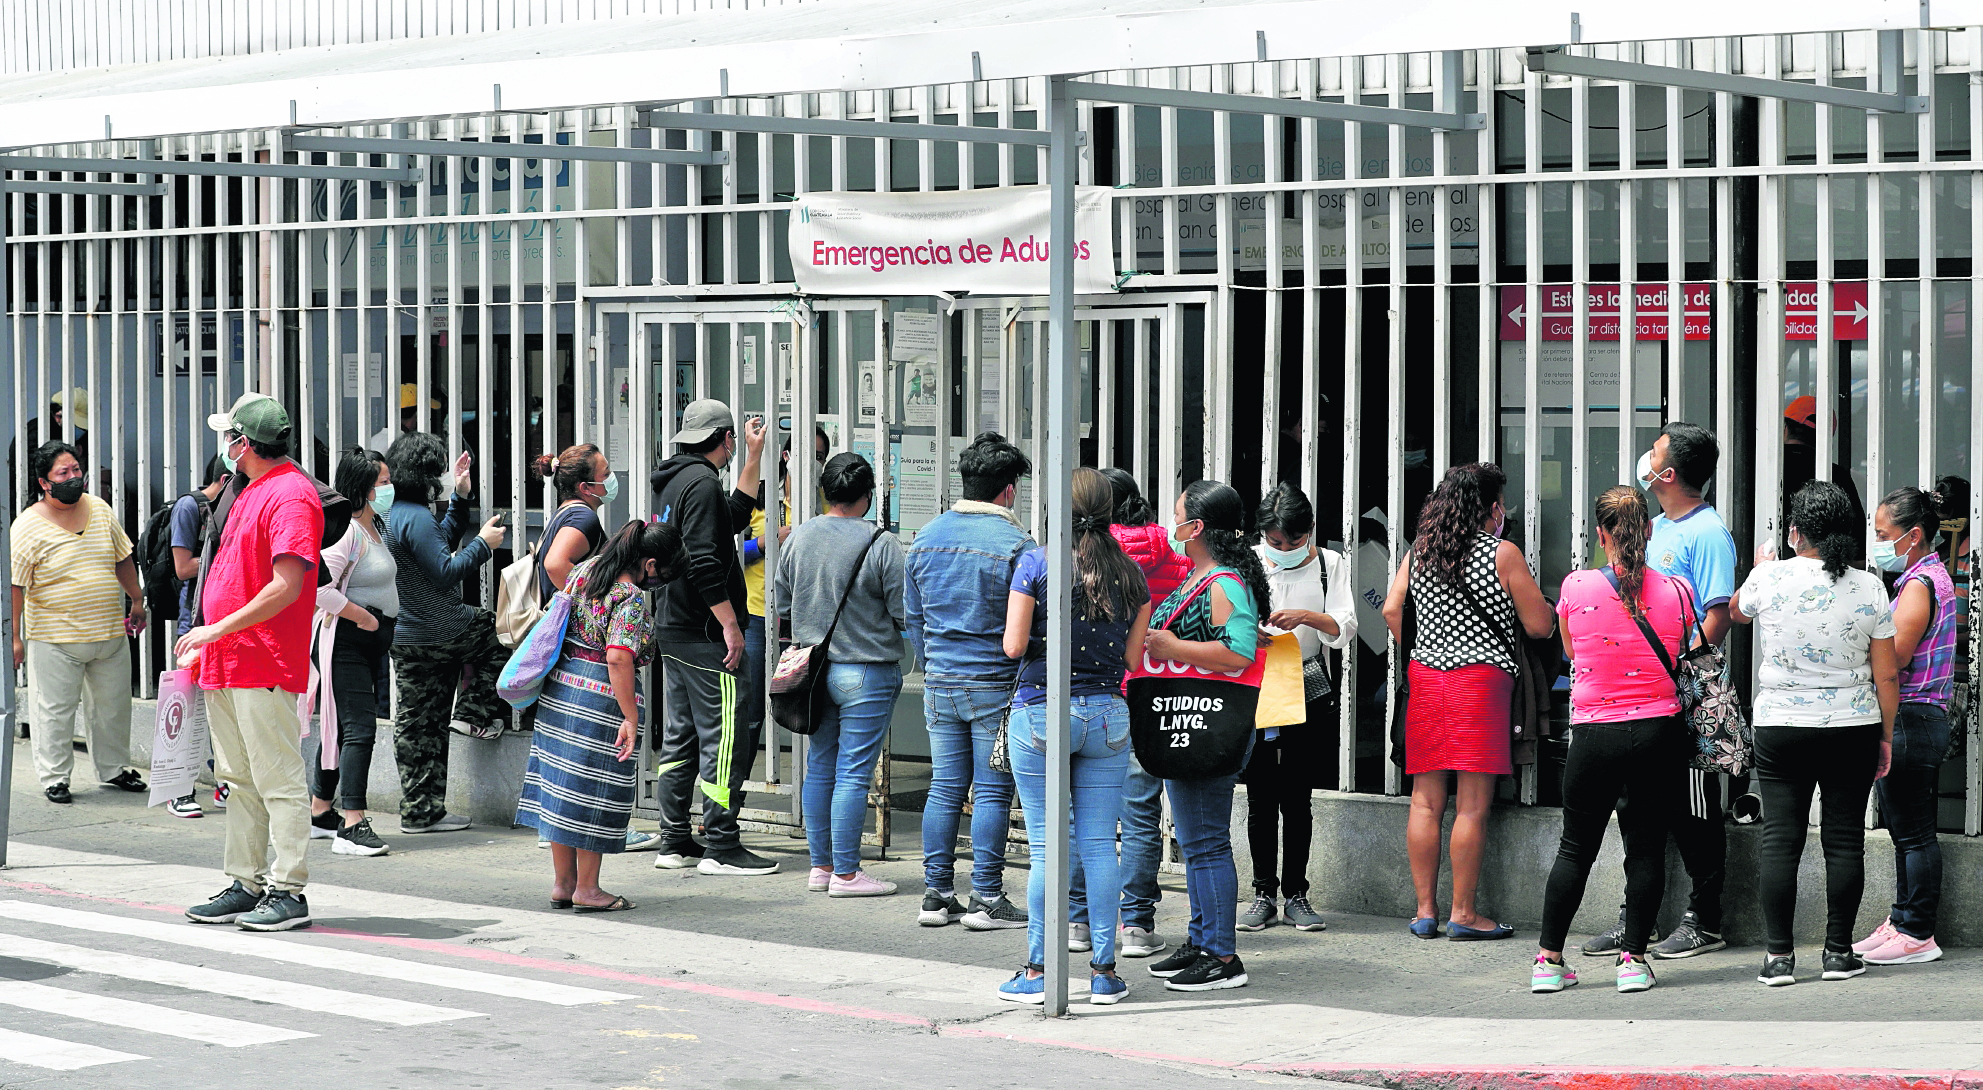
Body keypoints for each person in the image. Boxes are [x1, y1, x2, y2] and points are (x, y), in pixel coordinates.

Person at [1731, 480, 1898, 987]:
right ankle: (1837, 953)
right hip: (1852, 725)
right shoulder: (1869, 585)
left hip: (1780, 725)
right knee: (1844, 842)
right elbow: (1886, 675)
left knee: (1781, 841)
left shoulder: (1770, 577)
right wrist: (1885, 736)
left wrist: (1764, 567)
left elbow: (1736, 610)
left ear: (1795, 530)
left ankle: (1779, 958)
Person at [1587, 421, 1742, 960]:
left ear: (1669, 473)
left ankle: (1705, 916)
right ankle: (1639, 919)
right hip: (1643, 690)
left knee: (1694, 804)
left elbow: (1718, 614)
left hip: (1688, 689)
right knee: (1639, 805)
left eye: (1653, 454)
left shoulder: (1707, 532)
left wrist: (1679, 658)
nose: (1644, 460)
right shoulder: (1653, 527)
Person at [997, 467, 1151, 1005]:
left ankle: (1038, 970)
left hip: (1042, 713)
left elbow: (1014, 647)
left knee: (1046, 849)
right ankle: (1105, 973)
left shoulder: (1035, 563)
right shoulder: (1132, 575)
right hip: (1109, 716)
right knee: (1099, 847)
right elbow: (1134, 659)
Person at [1381, 462, 1553, 942]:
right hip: (1480, 683)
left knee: (1425, 801)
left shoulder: (1421, 552)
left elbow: (1392, 609)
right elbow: (1539, 625)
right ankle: (1463, 913)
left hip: (1427, 679)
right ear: (1492, 508)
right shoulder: (1502, 554)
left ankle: (1424, 912)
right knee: (1473, 806)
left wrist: (1423, 647)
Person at [1531, 486, 1692, 996]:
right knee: (1644, 851)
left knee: (1575, 848)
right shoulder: (1677, 590)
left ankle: (1549, 962)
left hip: (1593, 735)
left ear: (1600, 534)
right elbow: (1683, 648)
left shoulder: (1575, 587)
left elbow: (1573, 651)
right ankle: (1633, 961)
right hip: (1657, 733)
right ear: (1648, 530)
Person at [177, 393, 324, 932]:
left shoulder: (289, 495)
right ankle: (247, 881)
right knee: (239, 779)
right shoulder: (254, 489)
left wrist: (214, 628)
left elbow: (287, 586)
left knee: (277, 779)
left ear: (243, 444)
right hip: (229, 659)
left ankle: (288, 890)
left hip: (260, 660)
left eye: (229, 437)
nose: (225, 447)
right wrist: (212, 636)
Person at [1141, 480, 1271, 993]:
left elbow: (1237, 652)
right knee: (1195, 842)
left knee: (1208, 843)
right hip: (1189, 721)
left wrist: (1172, 643)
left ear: (1196, 528)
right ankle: (1201, 940)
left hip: (1208, 726)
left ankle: (1221, 955)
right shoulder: (1202, 578)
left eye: (1177, 518)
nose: (1171, 527)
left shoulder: (1222, 583)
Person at [518, 521, 686, 913]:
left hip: (560, 691)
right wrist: (630, 716)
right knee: (594, 792)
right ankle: (589, 890)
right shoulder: (627, 596)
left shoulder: (584, 571)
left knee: (562, 787)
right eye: (661, 576)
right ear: (649, 564)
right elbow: (618, 657)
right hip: (598, 701)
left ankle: (564, 883)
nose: (658, 584)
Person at [905, 432, 1035, 930]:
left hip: (940, 680)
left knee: (944, 786)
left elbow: (912, 619)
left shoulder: (925, 537)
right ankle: (986, 895)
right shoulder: (1018, 546)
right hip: (995, 684)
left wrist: (935, 659)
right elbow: (1029, 626)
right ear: (1007, 491)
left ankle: (937, 894)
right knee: (992, 792)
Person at [650, 400, 780, 876]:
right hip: (705, 632)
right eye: (734, 442)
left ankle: (674, 839)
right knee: (724, 738)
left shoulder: (676, 480)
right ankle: (722, 845)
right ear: (722, 438)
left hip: (674, 627)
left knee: (681, 738)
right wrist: (729, 623)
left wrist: (753, 457)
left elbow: (733, 516)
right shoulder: (702, 483)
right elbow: (705, 561)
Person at [776, 453, 907, 897]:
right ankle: (848, 875)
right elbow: (902, 610)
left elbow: (780, 604)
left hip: (811, 672)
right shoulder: (881, 543)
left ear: (825, 492)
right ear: (867, 494)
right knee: (854, 772)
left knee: (821, 767)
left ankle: (821, 867)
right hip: (866, 671)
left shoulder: (799, 536)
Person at [1239, 481, 1357, 934]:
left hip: (1306, 682)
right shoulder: (1246, 561)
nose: (1283, 549)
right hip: (1258, 683)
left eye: (1292, 541)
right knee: (1260, 794)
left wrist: (1305, 617)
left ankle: (1298, 894)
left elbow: (1345, 626)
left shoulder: (1330, 564)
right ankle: (1262, 892)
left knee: (1298, 796)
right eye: (1274, 542)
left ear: (1309, 532)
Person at [383, 431, 508, 834]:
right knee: (496, 632)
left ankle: (421, 812)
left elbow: (438, 543)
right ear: (425, 474)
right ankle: (473, 714)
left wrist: (460, 497)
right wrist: (485, 545)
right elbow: (445, 570)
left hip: (407, 638)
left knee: (420, 725)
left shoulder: (394, 513)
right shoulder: (415, 516)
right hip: (443, 628)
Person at [10, 441, 147, 805]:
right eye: (63, 473)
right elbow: (15, 586)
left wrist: (136, 599)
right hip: (55, 639)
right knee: (54, 711)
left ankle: (115, 768)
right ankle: (55, 777)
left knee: (113, 707)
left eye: (75, 469)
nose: (74, 477)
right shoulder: (26, 526)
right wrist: (15, 638)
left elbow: (122, 557)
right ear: (44, 482)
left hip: (109, 634)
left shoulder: (99, 509)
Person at [1852, 486, 1955, 965]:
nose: (1876, 544)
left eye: (1882, 535)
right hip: (1919, 716)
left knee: (1913, 831)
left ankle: (1917, 931)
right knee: (1905, 828)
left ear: (1913, 536)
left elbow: (1895, 655)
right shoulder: (1926, 576)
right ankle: (1902, 919)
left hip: (1912, 714)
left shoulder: (1919, 584)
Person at [1100, 467, 1191, 958]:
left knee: (1081, 813)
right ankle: (1136, 924)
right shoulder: (1173, 559)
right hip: (1158, 691)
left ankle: (1077, 921)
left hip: (1097, 691)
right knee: (1142, 811)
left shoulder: (1085, 557)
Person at [298, 447, 398, 858]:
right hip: (344, 643)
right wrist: (365, 619)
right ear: (364, 489)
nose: (390, 488)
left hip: (366, 642)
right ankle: (352, 822)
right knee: (360, 728)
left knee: (338, 727)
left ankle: (322, 811)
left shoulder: (378, 528)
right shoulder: (347, 533)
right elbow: (319, 589)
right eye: (384, 483)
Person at [163, 454, 233, 818]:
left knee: (223, 710)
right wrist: (229, 560)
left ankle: (224, 783)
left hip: (226, 621)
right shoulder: (190, 508)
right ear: (224, 480)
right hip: (195, 622)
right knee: (186, 711)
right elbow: (183, 565)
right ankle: (178, 788)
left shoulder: (233, 509)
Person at [1782, 395, 1865, 521]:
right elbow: (1856, 530)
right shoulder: (1837, 476)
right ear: (1826, 439)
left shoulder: (1763, 470)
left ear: (1786, 430)